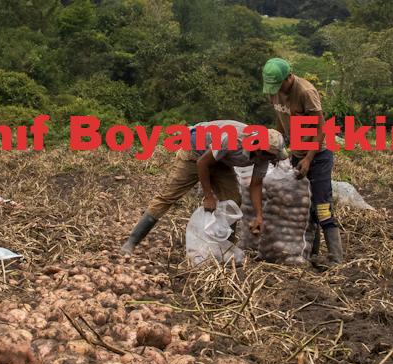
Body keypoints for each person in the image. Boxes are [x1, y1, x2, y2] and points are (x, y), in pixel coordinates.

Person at [120, 120, 277, 255]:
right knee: (168, 196)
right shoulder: (231, 139)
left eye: (270, 156)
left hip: (221, 160)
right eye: (264, 153)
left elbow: (256, 184)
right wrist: (208, 196)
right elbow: (202, 163)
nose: (265, 158)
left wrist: (259, 216)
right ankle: (132, 241)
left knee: (233, 201)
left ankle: (226, 249)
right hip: (195, 151)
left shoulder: (264, 157)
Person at [262, 57, 342, 267]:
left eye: (280, 84)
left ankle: (336, 258)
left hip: (318, 155)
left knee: (322, 204)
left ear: (289, 77)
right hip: (297, 152)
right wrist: (277, 149)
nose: (277, 90)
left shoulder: (306, 92)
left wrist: (308, 158)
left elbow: (321, 127)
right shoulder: (274, 92)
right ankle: (310, 253)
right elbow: (280, 121)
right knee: (304, 205)